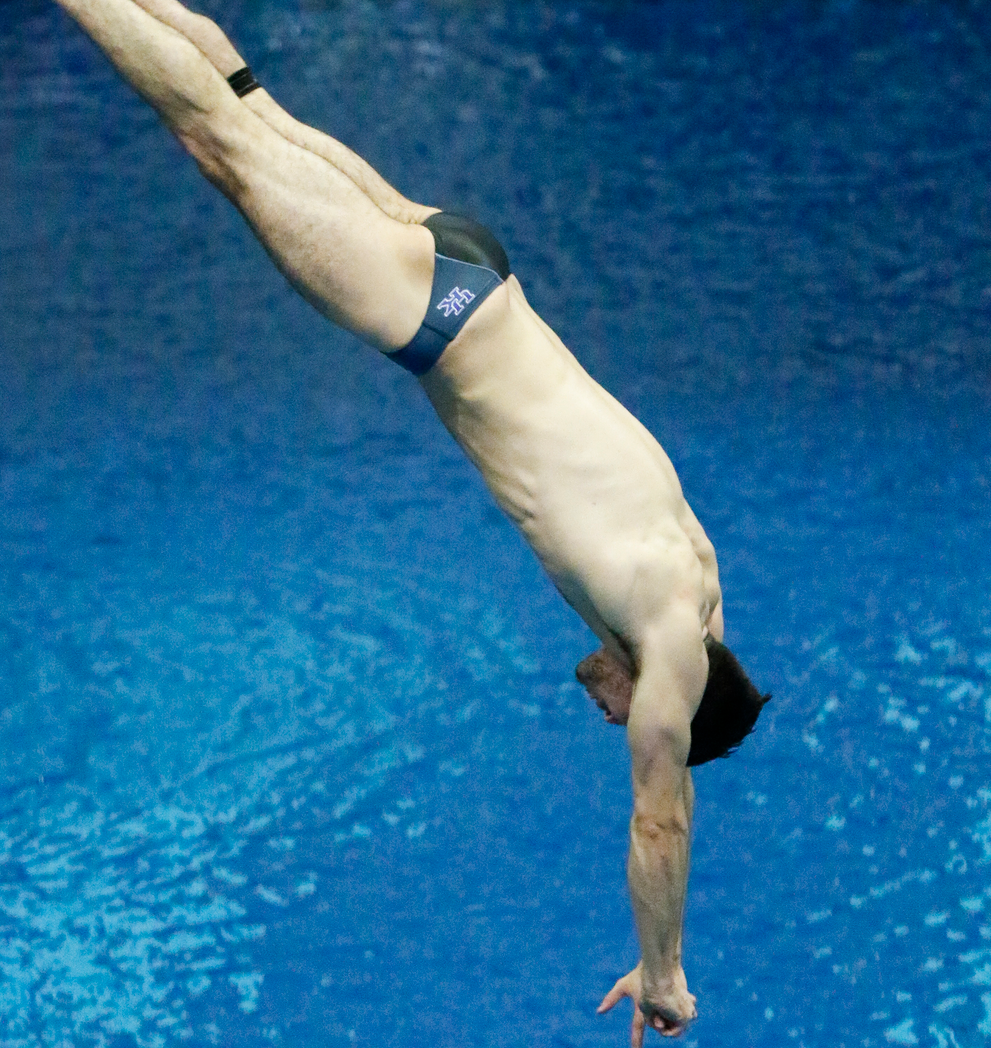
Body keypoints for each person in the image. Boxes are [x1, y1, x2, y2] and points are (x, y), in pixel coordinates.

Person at [51, 0, 770, 1042]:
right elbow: (659, 819)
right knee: (217, 137)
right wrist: (662, 969)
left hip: (470, 261)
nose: (609, 716)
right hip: (433, 311)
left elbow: (712, 664)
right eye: (631, 720)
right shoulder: (665, 639)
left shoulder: (692, 578)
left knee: (253, 114)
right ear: (674, 699)